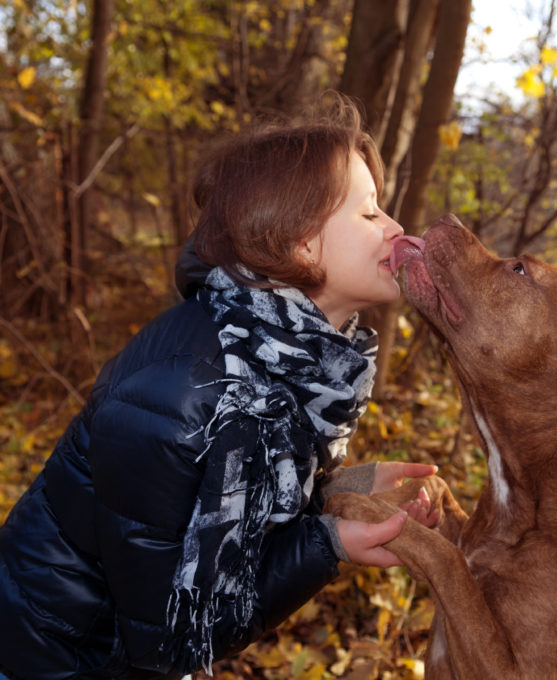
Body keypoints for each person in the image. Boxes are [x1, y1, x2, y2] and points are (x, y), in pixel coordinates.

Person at [0, 96, 439, 678]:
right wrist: (327, 544)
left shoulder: (288, 362)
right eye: (368, 213)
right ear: (300, 241)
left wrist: (340, 486)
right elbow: (179, 637)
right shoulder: (186, 394)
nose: (396, 227)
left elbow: (234, 508)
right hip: (50, 658)